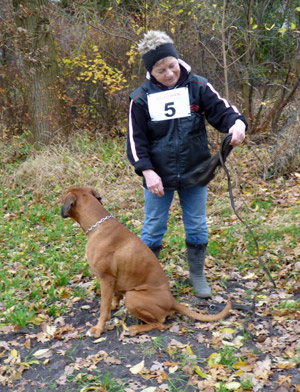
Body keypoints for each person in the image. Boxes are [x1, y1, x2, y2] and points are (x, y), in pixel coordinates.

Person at [127, 30, 247, 298]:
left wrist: (237, 124)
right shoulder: (140, 99)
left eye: (172, 66)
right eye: (161, 70)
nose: (169, 73)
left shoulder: (198, 86)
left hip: (196, 171)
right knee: (154, 225)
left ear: (178, 61)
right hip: (158, 175)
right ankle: (149, 279)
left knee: (196, 223)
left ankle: (197, 274)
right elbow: (136, 142)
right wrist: (147, 171)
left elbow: (223, 112)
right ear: (151, 72)